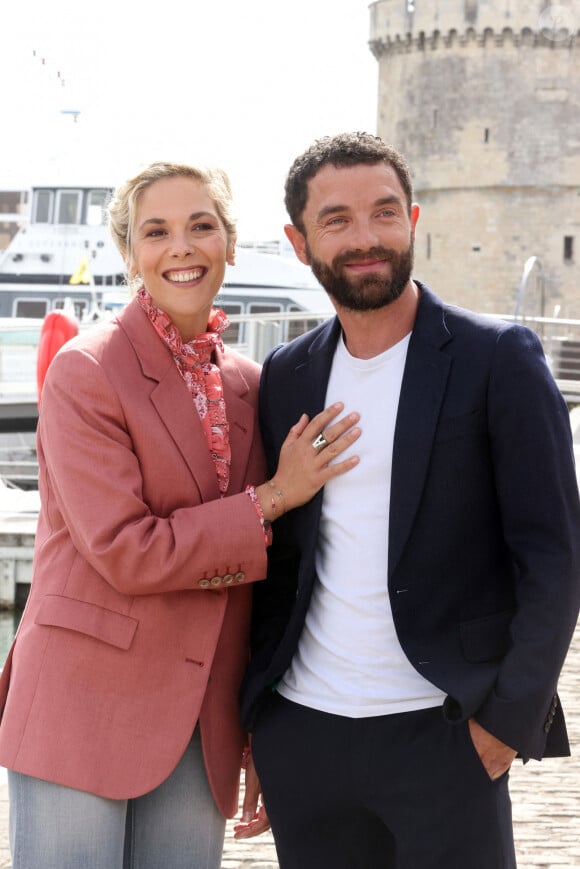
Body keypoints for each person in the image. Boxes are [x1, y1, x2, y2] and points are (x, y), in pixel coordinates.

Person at [0, 161, 361, 869]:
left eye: (202, 226)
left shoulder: (253, 384)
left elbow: (267, 582)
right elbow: (125, 549)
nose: (182, 247)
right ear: (131, 253)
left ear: (228, 241)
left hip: (203, 719)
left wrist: (256, 725)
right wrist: (273, 496)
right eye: (156, 231)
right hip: (82, 701)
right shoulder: (86, 371)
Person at [238, 133, 580, 867]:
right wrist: (262, 722)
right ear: (299, 242)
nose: (366, 238)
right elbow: (282, 568)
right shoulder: (287, 374)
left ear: (414, 219)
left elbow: (554, 559)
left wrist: (504, 724)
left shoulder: (498, 359)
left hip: (446, 734)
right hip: (306, 736)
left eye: (384, 213)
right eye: (337, 220)